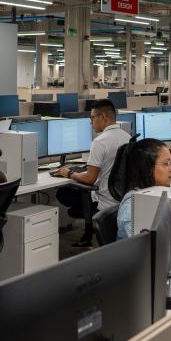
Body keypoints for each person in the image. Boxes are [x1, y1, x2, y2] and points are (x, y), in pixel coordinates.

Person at [53, 99, 131, 245]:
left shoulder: (100, 142)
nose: (91, 122)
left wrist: (68, 173)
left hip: (105, 199)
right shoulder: (127, 137)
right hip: (121, 197)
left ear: (103, 117)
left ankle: (89, 228)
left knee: (62, 193)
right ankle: (88, 231)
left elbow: (90, 179)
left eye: (92, 118)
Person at [108, 139, 171, 240]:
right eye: (166, 163)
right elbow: (147, 247)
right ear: (147, 167)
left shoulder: (159, 194)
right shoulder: (132, 207)